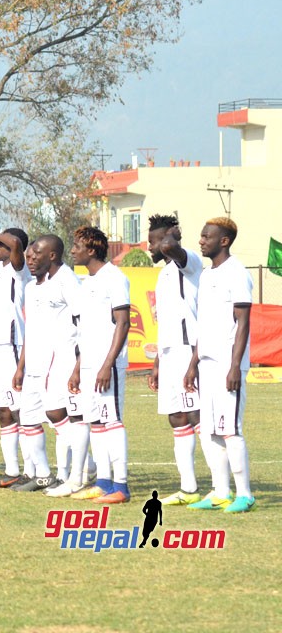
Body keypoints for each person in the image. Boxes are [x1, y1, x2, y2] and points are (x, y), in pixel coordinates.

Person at [185, 217, 255, 513]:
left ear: (223, 241)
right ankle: (220, 491)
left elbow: (243, 322)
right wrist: (193, 363)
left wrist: (235, 366)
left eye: (206, 236)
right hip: (206, 364)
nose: (201, 241)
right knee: (210, 431)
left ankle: (245, 494)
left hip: (228, 363)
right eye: (201, 236)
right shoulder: (205, 274)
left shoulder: (236, 272)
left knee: (231, 430)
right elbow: (204, 325)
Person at [64, 226, 131, 503]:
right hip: (89, 364)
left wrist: (107, 364)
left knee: (111, 421)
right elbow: (86, 331)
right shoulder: (86, 282)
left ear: (91, 250)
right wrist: (79, 367)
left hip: (108, 365)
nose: (73, 251)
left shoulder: (114, 278)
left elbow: (123, 323)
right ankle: (103, 482)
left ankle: (121, 486)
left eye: (77, 246)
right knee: (96, 423)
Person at [12, 235, 78, 492]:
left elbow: (81, 319)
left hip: (58, 362)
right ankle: (43, 475)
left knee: (58, 417)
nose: (30, 260)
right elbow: (31, 330)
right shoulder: (31, 287)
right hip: (34, 366)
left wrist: (77, 361)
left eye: (35, 255)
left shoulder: (67, 280)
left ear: (51, 255)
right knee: (27, 419)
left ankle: (80, 469)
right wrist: (20, 366)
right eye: (28, 256)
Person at [146, 214, 203, 506]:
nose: (149, 246)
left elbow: (171, 247)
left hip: (188, 351)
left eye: (153, 241)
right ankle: (188, 488)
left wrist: (171, 237)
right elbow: (166, 321)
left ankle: (221, 488)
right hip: (169, 354)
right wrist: (157, 361)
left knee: (197, 416)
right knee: (177, 418)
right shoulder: (164, 273)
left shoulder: (188, 260)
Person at [0, 229, 31, 488]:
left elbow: (14, 244)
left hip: (13, 343)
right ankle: (11, 469)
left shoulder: (18, 268)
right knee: (2, 410)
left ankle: (31, 468)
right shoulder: (0, 268)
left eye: (2, 245)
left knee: (19, 410)